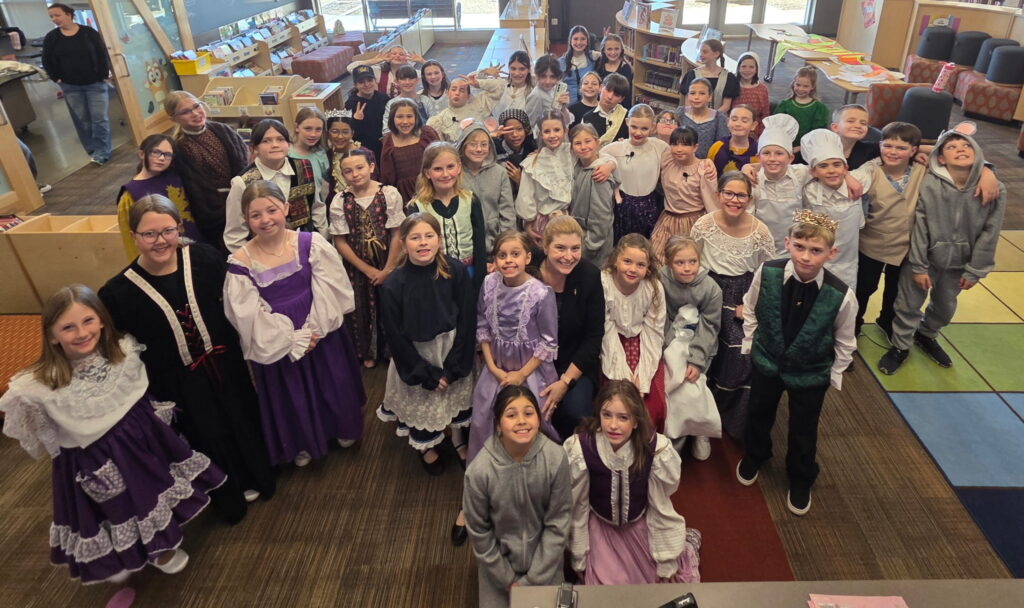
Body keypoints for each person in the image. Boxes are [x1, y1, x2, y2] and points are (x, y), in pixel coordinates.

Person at [0, 284, 225, 584]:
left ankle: (162, 540)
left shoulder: (123, 351)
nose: (81, 333)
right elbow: (47, 439)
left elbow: (136, 397)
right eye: (68, 327)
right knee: (124, 507)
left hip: (141, 440)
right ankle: (147, 552)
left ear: (102, 321)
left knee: (154, 491)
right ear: (52, 335)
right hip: (97, 458)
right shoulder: (36, 387)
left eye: (88, 321)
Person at [100, 196, 275, 524]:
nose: (160, 241)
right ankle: (227, 493)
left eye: (167, 230)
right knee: (204, 433)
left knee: (242, 416)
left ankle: (260, 476)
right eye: (149, 234)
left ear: (179, 228)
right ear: (134, 236)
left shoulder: (205, 258)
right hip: (178, 381)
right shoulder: (117, 293)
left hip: (226, 364)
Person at [224, 181, 365, 468]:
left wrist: (313, 330)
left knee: (330, 379)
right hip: (278, 341)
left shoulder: (309, 243)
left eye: (271, 210)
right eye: (255, 215)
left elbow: (331, 287)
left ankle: (340, 427)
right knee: (291, 391)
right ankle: (301, 440)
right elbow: (248, 314)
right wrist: (290, 339)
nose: (265, 220)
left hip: (318, 327)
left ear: (286, 208)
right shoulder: (241, 263)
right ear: (246, 219)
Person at [737, 211, 857, 516]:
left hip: (810, 372)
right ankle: (756, 454)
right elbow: (749, 308)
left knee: (804, 429)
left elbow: (845, 340)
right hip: (767, 359)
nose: (806, 257)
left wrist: (834, 374)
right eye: (800, 247)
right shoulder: (768, 271)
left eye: (816, 251)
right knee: (759, 412)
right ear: (787, 243)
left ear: (831, 253)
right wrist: (751, 344)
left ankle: (801, 476)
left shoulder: (841, 295)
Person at [879, 129, 1005, 375]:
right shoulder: (929, 182)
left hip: (961, 263)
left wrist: (976, 269)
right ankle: (900, 346)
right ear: (941, 158)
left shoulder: (993, 187)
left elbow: (991, 231)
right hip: (925, 259)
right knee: (908, 304)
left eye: (967, 146)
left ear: (977, 153)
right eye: (952, 147)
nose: (960, 149)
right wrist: (918, 265)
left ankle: (926, 335)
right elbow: (920, 225)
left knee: (945, 307)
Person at [563, 380, 702, 585]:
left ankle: (686, 543)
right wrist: (579, 556)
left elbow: (659, 505)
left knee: (655, 582)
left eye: (623, 417)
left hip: (639, 525)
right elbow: (579, 504)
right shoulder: (583, 448)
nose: (613, 425)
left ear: (636, 421)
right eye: (606, 414)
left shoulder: (654, 449)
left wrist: (666, 560)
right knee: (607, 587)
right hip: (602, 529)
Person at [378, 213, 476, 475]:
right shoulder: (393, 284)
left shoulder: (455, 270)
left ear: (439, 240)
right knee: (425, 402)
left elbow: (467, 318)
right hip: (417, 355)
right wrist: (424, 373)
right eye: (415, 237)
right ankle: (425, 445)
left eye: (429, 236)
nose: (423, 243)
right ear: (403, 243)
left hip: (451, 349)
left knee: (453, 400)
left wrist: (454, 365)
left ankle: (457, 439)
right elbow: (395, 337)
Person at [463, 385, 571, 608]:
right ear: (498, 425)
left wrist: (533, 580)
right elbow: (480, 532)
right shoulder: (479, 471)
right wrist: (507, 580)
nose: (522, 421)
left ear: (539, 419)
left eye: (529, 413)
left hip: (545, 565)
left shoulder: (555, 458)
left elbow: (558, 523)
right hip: (497, 571)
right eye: (511, 415)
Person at [690, 172, 774, 439]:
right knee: (696, 347)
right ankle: (698, 416)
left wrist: (750, 307)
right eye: (729, 193)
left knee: (740, 350)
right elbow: (692, 263)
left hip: (742, 295)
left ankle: (729, 415)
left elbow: (766, 275)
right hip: (707, 290)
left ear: (749, 199)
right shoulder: (704, 224)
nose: (734, 200)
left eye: (741, 195)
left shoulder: (760, 232)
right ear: (719, 194)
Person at [469, 230, 560, 463]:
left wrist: (521, 374)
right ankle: (488, 471)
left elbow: (548, 342)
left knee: (533, 416)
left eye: (515, 254)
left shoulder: (540, 293)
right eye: (502, 255)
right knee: (483, 414)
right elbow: (483, 328)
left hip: (530, 370)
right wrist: (493, 368)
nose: (508, 260)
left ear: (527, 258)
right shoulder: (489, 284)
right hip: (496, 366)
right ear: (495, 260)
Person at [330, 149, 405, 368]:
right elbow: (340, 241)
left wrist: (388, 268)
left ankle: (393, 350)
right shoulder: (340, 200)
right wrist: (366, 269)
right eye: (348, 171)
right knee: (361, 308)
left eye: (360, 167)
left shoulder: (388, 193)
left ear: (371, 167)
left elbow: (397, 233)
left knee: (391, 306)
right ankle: (367, 351)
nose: (355, 174)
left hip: (388, 260)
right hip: (357, 265)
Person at [534, 217, 606, 440]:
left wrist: (565, 382)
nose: (568, 256)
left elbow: (593, 338)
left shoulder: (589, 276)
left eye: (575, 248)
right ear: (545, 247)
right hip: (532, 361)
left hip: (573, 361)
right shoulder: (528, 271)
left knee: (577, 413)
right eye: (560, 248)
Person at [854, 122, 925, 338]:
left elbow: (961, 156)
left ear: (914, 151)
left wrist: (987, 172)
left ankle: (887, 320)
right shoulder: (871, 171)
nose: (893, 152)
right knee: (865, 287)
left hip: (907, 245)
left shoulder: (923, 170)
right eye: (888, 146)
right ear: (880, 145)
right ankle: (854, 324)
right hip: (872, 243)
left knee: (897, 288)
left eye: (901, 148)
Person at [659, 236, 722, 460]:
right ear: (668, 263)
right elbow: (660, 316)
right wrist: (668, 348)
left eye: (692, 262)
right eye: (680, 262)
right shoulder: (661, 280)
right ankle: (676, 431)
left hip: (699, 344)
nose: (687, 268)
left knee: (693, 383)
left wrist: (696, 359)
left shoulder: (710, 288)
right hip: (669, 341)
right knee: (672, 383)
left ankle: (698, 429)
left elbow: (710, 326)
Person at [224, 119, 325, 253]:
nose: (275, 145)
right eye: (266, 141)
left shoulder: (304, 167)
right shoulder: (242, 182)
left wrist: (323, 241)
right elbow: (235, 234)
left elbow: (317, 207)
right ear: (254, 148)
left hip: (306, 247)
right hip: (265, 253)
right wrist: (254, 262)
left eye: (280, 139)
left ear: (289, 144)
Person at [165, 91, 248, 251]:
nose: (195, 113)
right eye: (185, 112)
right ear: (173, 119)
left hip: (242, 199)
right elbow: (195, 191)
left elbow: (244, 165)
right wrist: (227, 210)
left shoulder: (223, 130)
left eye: (197, 106)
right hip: (214, 213)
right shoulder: (179, 148)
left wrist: (241, 199)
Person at [600, 234, 667, 431]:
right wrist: (625, 379)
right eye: (627, 261)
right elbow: (607, 331)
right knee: (617, 405)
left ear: (648, 268)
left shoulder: (653, 288)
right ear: (615, 260)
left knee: (653, 408)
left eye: (640, 265)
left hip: (643, 344)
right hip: (611, 345)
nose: (632, 269)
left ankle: (644, 453)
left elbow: (654, 332)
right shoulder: (604, 283)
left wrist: (642, 379)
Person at [799, 129, 873, 292]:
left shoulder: (859, 180)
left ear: (845, 167)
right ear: (813, 172)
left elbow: (876, 162)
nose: (831, 170)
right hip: (815, 259)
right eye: (823, 166)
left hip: (847, 261)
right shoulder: (808, 189)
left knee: (842, 302)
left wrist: (847, 176)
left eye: (837, 164)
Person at [406, 142, 487, 284]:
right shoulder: (417, 206)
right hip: (433, 277)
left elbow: (479, 244)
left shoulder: (470, 200)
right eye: (437, 169)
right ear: (427, 173)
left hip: (468, 276)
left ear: (459, 168)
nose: (445, 174)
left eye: (450, 167)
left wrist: (480, 280)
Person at [42, 3, 111, 165]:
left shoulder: (89, 33)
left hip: (95, 84)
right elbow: (47, 61)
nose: (54, 19)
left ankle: (103, 152)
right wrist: (56, 78)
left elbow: (102, 54)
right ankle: (92, 150)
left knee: (100, 119)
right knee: (83, 120)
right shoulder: (52, 38)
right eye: (51, 16)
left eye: (57, 15)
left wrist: (102, 75)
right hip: (70, 86)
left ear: (68, 14)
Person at [116, 134, 201, 258]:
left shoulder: (177, 177)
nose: (161, 158)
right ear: (141, 154)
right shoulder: (130, 194)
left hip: (196, 247)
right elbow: (132, 243)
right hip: (162, 254)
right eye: (156, 152)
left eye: (167, 154)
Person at [747, 114, 811, 257]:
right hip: (761, 250)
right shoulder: (753, 181)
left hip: (795, 250)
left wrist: (848, 176)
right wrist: (746, 167)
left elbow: (825, 169)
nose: (773, 159)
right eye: (766, 153)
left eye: (779, 153)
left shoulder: (801, 173)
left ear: (790, 158)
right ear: (758, 157)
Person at [603, 104, 668, 241]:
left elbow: (679, 158)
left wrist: (705, 164)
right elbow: (593, 156)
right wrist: (610, 164)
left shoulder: (659, 146)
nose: (638, 133)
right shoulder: (616, 148)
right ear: (627, 122)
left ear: (653, 127)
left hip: (650, 205)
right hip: (624, 206)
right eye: (634, 127)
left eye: (644, 128)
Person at [652, 127, 718, 262]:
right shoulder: (667, 160)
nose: (679, 149)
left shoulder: (704, 168)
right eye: (675, 144)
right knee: (657, 259)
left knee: (687, 262)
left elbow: (712, 200)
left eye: (685, 144)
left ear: (695, 147)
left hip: (693, 221)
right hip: (668, 220)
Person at [457, 120, 516, 251]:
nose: (479, 149)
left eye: (484, 144)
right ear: (463, 146)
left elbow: (507, 213)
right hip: (466, 245)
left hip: (495, 244)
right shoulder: (455, 173)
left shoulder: (499, 172)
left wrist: (504, 246)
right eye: (473, 144)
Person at [568, 123, 618, 265]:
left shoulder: (599, 174)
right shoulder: (577, 166)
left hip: (594, 245)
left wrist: (590, 245)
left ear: (597, 142)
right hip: (579, 237)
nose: (583, 147)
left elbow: (601, 216)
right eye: (577, 143)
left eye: (588, 141)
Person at [379, 98, 441, 202]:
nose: (405, 121)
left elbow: (440, 160)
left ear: (416, 117)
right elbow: (387, 175)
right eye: (399, 117)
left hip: (432, 187)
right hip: (405, 195)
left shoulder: (427, 134)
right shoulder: (388, 141)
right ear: (392, 118)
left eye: (409, 116)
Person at [427, 75, 504, 142]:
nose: (457, 93)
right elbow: (442, 148)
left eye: (462, 90)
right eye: (453, 89)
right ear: (447, 93)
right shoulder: (439, 120)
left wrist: (478, 83)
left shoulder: (480, 105)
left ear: (468, 95)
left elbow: (499, 87)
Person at [324, 110, 378, 207]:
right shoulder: (328, 156)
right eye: (334, 131)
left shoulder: (366, 153)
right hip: (339, 206)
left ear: (352, 133)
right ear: (328, 133)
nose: (340, 136)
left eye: (345, 132)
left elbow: (375, 181)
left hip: (367, 202)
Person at [774, 67, 830, 151]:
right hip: (784, 146)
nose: (800, 89)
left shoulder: (819, 108)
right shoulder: (785, 104)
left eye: (805, 86)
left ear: (813, 87)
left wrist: (801, 147)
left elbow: (818, 133)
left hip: (808, 148)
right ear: (794, 84)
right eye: (798, 85)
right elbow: (776, 127)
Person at [345, 65, 391, 162]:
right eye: (361, 82)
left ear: (375, 81)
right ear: (355, 85)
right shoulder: (351, 104)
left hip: (384, 145)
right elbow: (347, 132)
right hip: (364, 149)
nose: (366, 84)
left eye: (369, 80)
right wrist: (355, 120)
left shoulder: (383, 98)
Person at [679, 39, 739, 113]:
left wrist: (711, 116)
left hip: (718, 119)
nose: (701, 54)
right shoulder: (692, 75)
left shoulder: (728, 77)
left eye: (705, 52)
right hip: (695, 117)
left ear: (716, 54)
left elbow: (726, 105)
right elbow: (688, 103)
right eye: (700, 51)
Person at [678, 78, 728, 159]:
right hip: (680, 161)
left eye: (702, 93)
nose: (696, 97)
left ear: (710, 96)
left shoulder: (719, 118)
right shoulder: (680, 113)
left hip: (707, 165)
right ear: (688, 95)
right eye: (692, 93)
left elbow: (721, 147)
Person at [493, 108, 538, 197]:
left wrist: (520, 180)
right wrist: (492, 136)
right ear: (502, 131)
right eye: (509, 130)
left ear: (526, 130)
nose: (515, 135)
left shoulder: (532, 151)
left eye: (519, 129)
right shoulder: (494, 149)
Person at [290, 107, 330, 203]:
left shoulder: (321, 153)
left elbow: (331, 179)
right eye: (308, 129)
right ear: (296, 127)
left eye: (318, 129)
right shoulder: (286, 153)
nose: (313, 134)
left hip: (317, 211)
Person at [707, 104, 759, 175]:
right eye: (734, 119)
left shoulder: (757, 151)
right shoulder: (717, 147)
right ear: (728, 122)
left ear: (753, 125)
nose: (738, 124)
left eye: (744, 121)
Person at [525, 54, 573, 130]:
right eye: (543, 76)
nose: (548, 81)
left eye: (552, 77)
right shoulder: (536, 95)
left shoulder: (556, 89)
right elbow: (529, 125)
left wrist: (563, 106)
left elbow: (566, 121)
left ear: (558, 77)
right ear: (537, 75)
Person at [380, 65, 429, 137]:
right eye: (403, 79)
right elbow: (386, 130)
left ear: (417, 80)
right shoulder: (391, 103)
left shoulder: (425, 100)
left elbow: (433, 123)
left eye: (411, 78)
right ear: (396, 81)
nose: (407, 82)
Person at [582, 73, 630, 146]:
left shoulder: (627, 117)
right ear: (601, 88)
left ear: (621, 99)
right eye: (608, 90)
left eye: (616, 95)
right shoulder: (587, 118)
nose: (610, 97)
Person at [485, 50, 534, 119]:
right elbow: (472, 87)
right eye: (513, 69)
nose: (517, 73)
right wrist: (484, 72)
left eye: (522, 69)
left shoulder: (531, 94)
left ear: (529, 70)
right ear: (508, 68)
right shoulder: (500, 85)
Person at [733, 52, 769, 139]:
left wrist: (761, 135)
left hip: (754, 131)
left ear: (756, 69)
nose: (747, 70)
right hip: (734, 128)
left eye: (751, 67)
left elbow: (765, 114)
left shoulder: (762, 89)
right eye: (743, 66)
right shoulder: (732, 86)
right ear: (738, 68)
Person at [561, 25, 600, 104]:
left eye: (583, 39)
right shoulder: (561, 62)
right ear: (570, 41)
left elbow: (610, 54)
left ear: (587, 41)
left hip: (589, 104)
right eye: (575, 39)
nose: (579, 42)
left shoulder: (593, 56)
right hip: (569, 106)